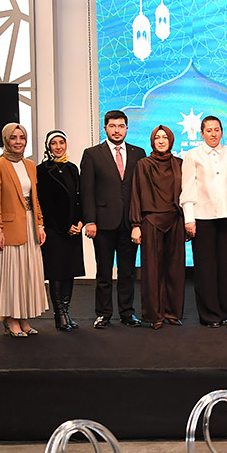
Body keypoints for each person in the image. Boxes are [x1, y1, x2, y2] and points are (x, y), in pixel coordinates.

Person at [80, 110, 147, 329]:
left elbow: (141, 190)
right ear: (105, 128)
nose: (117, 130)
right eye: (112, 126)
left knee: (128, 272)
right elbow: (87, 190)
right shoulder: (92, 154)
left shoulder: (138, 153)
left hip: (129, 222)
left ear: (127, 128)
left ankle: (127, 313)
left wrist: (139, 222)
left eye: (121, 126)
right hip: (103, 223)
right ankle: (103, 314)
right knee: (104, 272)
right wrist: (90, 221)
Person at [180, 115, 227, 328]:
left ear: (222, 132)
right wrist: (189, 219)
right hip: (202, 217)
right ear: (202, 133)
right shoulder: (192, 155)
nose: (213, 134)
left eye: (217, 130)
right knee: (205, 267)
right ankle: (209, 314)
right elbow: (188, 188)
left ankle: (224, 311)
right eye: (209, 130)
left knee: (226, 266)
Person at [0, 123, 48, 336]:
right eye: (13, 137)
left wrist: (40, 224)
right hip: (9, 227)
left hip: (30, 225)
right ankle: (11, 319)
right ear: (6, 140)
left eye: (22, 137)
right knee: (11, 274)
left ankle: (23, 318)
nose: (18, 142)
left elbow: (35, 197)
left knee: (27, 274)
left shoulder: (30, 165)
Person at [130, 125, 185, 330]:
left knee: (175, 269)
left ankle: (172, 312)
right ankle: (155, 315)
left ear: (171, 140)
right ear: (152, 141)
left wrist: (188, 221)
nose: (161, 141)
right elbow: (136, 194)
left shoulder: (180, 164)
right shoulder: (143, 164)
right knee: (152, 271)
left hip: (175, 220)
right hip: (151, 221)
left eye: (165, 137)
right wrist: (136, 224)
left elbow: (187, 194)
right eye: (157, 138)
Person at [36, 130, 84, 331]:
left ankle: (67, 311)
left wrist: (80, 221)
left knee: (69, 271)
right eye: (54, 143)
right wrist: (64, 226)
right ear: (48, 146)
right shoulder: (42, 170)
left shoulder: (72, 168)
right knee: (57, 272)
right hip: (55, 230)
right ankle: (59, 315)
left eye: (61, 142)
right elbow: (45, 204)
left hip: (74, 229)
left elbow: (79, 198)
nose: (58, 147)